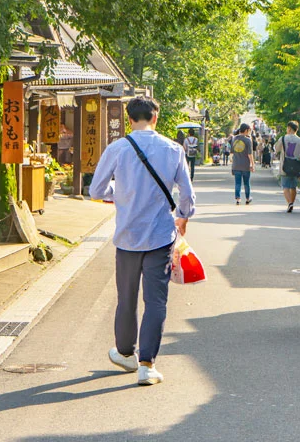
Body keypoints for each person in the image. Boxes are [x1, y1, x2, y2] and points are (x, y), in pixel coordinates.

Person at [90, 96, 196, 386]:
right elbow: (187, 194)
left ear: (129, 119)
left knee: (126, 297)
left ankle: (125, 353)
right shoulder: (173, 149)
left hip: (127, 236)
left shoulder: (117, 148)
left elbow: (96, 190)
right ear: (155, 118)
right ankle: (147, 365)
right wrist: (184, 216)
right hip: (160, 236)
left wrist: (120, 195)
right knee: (156, 300)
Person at [274, 121, 300, 213]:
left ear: (289, 128)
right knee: (293, 186)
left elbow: (276, 149)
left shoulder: (283, 138)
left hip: (285, 166)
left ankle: (290, 203)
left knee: (285, 186)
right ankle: (292, 202)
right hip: (295, 166)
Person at [231, 123, 255, 205]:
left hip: (236, 164)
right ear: (246, 130)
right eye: (249, 130)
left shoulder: (234, 139)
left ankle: (238, 199)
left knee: (237, 183)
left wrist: (232, 165)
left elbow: (232, 153)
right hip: (245, 165)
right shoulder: (248, 140)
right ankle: (247, 198)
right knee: (246, 183)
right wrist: (252, 164)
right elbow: (250, 154)